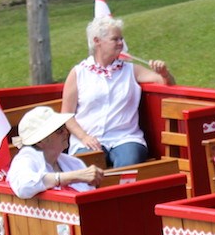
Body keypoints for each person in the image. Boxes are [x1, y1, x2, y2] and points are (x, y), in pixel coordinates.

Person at [62, 15, 175, 168]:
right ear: (97, 41)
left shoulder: (130, 70)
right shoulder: (79, 73)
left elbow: (166, 83)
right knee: (87, 168)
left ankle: (123, 191)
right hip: (87, 139)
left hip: (124, 138)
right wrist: (84, 137)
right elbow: (66, 115)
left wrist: (164, 73)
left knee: (128, 164)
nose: (121, 43)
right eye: (115, 39)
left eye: (121, 39)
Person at [8, 107, 103, 198]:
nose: (66, 132)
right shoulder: (25, 159)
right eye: (59, 130)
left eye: (64, 127)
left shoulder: (74, 163)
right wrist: (73, 177)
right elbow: (24, 186)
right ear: (40, 141)